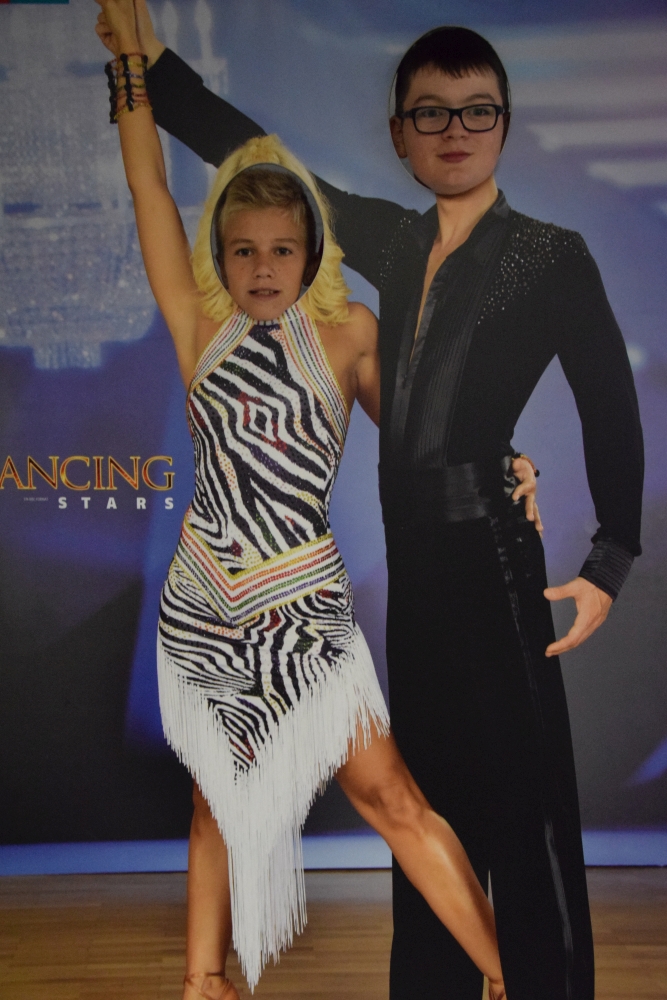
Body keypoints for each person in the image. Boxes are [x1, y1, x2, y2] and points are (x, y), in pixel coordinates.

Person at [123, 12, 645, 1000]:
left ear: (504, 124)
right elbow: (239, 154)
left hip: (421, 573)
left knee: (478, 802)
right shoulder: (385, 249)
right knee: (354, 796)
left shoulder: (530, 261)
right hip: (328, 583)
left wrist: (601, 546)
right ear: (400, 132)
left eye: (477, 111)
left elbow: (590, 404)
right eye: (431, 113)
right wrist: (138, 62)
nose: (455, 130)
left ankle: (533, 982)